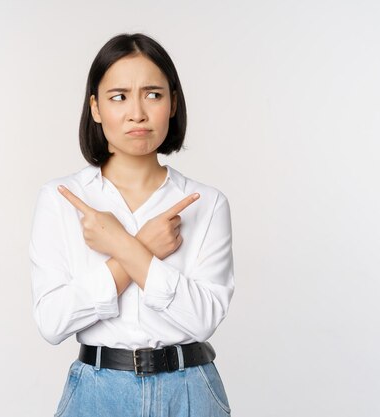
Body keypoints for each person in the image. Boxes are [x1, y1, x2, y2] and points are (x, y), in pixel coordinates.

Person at [29, 32, 235, 417]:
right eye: (119, 96)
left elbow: (203, 320)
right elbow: (52, 322)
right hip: (97, 391)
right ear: (95, 108)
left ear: (172, 103)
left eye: (153, 94)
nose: (137, 113)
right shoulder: (61, 198)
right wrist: (141, 247)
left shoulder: (207, 204)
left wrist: (121, 244)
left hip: (190, 390)